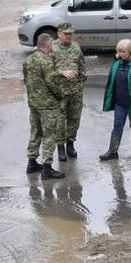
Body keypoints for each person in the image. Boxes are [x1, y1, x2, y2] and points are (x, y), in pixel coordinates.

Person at [23, 33, 66, 180]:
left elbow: (26, 80)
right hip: (47, 104)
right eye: (52, 44)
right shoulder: (46, 61)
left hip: (33, 103)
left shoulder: (28, 60)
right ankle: (47, 168)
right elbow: (52, 82)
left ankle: (32, 162)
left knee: (36, 131)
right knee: (49, 135)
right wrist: (61, 96)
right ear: (47, 45)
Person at [99, 38, 131, 161]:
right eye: (119, 51)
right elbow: (111, 82)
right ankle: (112, 151)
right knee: (117, 125)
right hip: (119, 103)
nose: (121, 54)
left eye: (124, 52)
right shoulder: (117, 63)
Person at [51, 22, 87, 161]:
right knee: (60, 121)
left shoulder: (76, 46)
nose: (68, 36)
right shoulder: (51, 48)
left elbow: (82, 65)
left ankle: (70, 144)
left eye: (70, 34)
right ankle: (60, 147)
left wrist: (80, 84)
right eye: (66, 34)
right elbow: (45, 70)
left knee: (74, 119)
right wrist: (61, 72)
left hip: (75, 92)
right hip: (59, 93)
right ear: (59, 33)